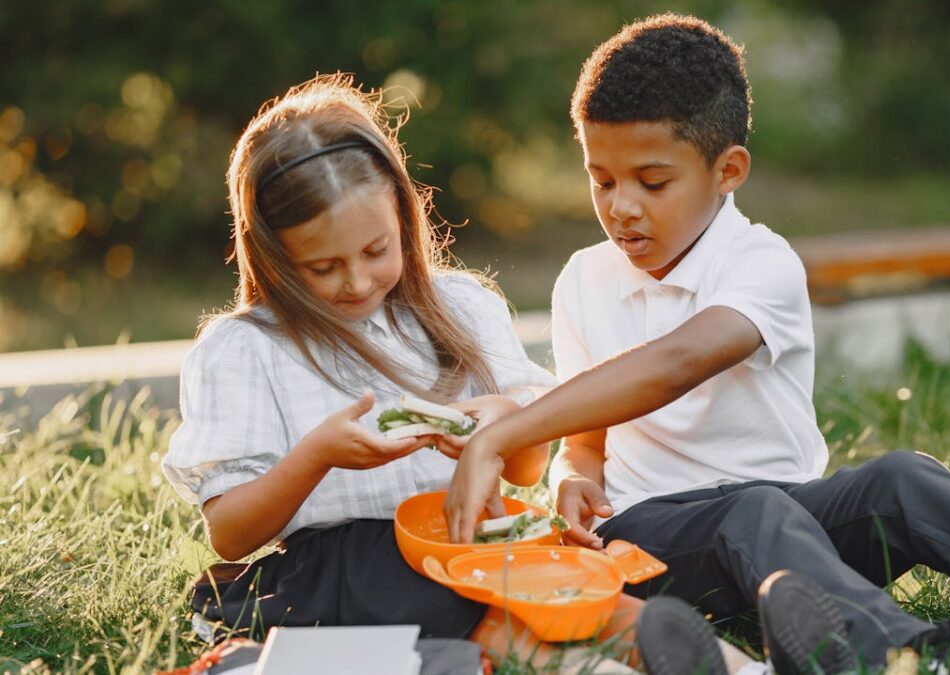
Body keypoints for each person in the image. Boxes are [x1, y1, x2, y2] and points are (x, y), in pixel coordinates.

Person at [443, 14, 950, 675]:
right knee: (752, 510)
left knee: (905, 477)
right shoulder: (584, 279)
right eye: (600, 179)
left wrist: (509, 429)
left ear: (727, 170)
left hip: (798, 534)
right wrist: (575, 469)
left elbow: (675, 363)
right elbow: (589, 439)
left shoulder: (761, 264)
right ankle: (915, 654)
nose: (620, 207)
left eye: (651, 180)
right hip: (651, 542)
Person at [159, 73, 763, 675]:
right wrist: (318, 454)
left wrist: (502, 423)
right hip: (351, 565)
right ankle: (592, 668)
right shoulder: (245, 349)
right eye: (322, 267)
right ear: (273, 256)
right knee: (469, 606)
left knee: (577, 593)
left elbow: (526, 470)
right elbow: (230, 535)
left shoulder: (459, 309)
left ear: (404, 219)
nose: (357, 281)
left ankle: (737, 667)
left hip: (476, 542)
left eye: (376, 251)